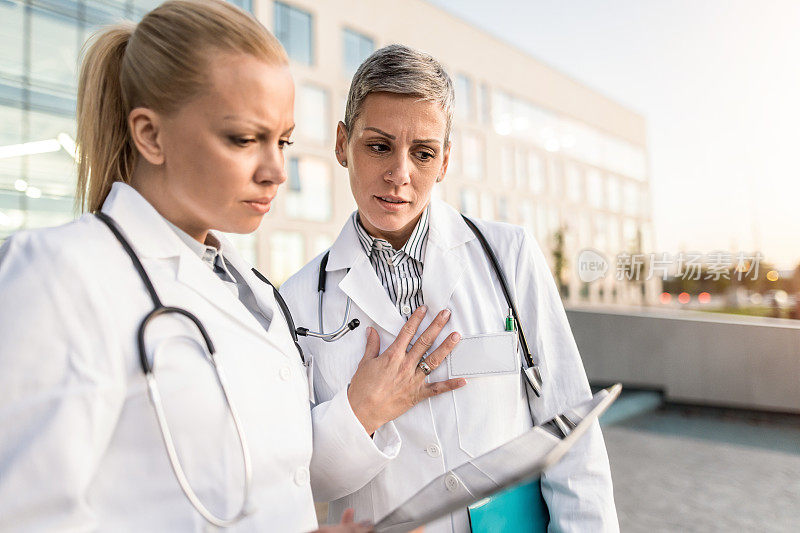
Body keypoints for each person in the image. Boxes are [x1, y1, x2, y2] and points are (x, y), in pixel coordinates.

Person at [0, 3, 465, 531]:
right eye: (244, 139)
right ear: (151, 135)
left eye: (282, 141)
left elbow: (259, 492)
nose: (275, 172)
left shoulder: (255, 294)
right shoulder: (57, 274)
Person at [280, 44, 619, 532]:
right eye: (379, 146)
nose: (400, 174)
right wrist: (360, 412)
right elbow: (302, 479)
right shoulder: (295, 303)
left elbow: (571, 436)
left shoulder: (509, 256)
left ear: (444, 161)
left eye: (423, 153)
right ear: (342, 144)